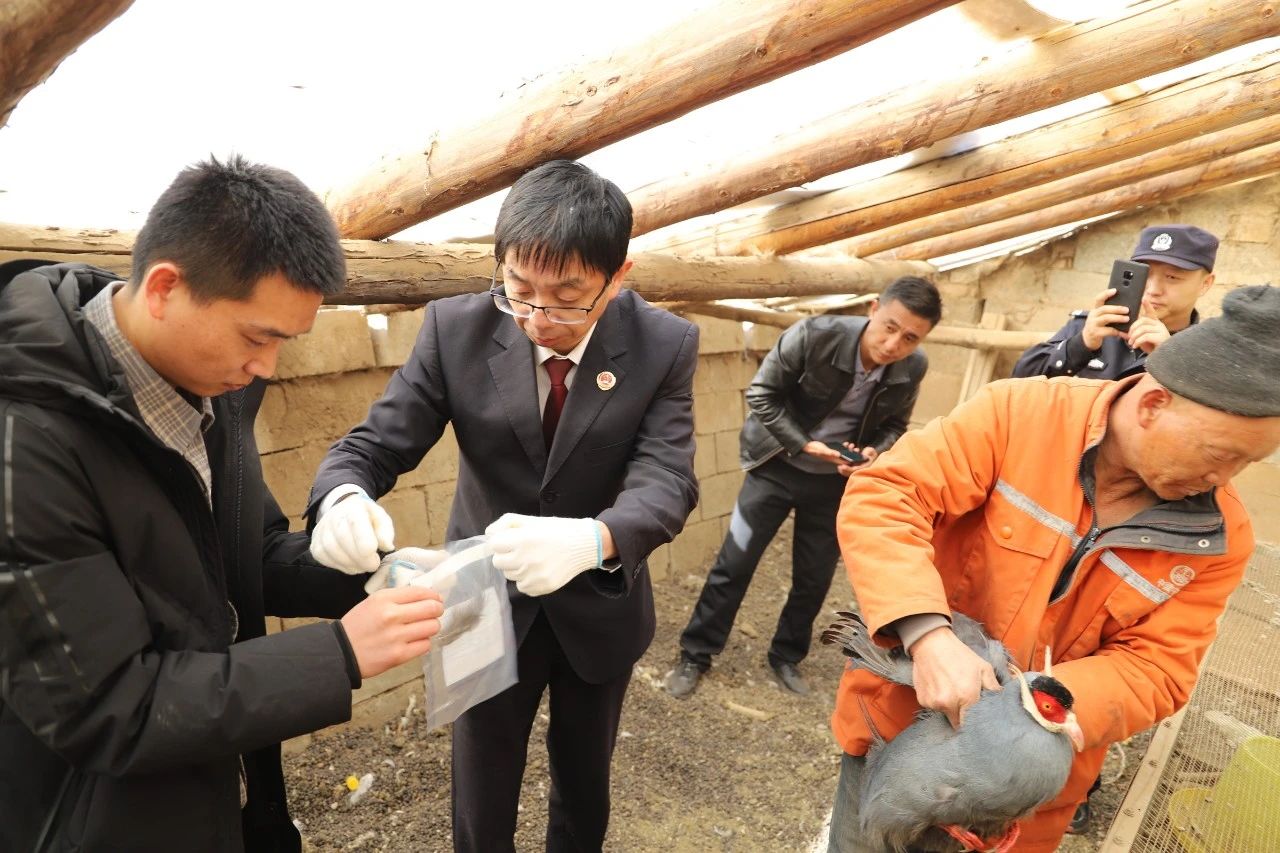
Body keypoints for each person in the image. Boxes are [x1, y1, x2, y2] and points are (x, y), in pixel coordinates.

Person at [0, 157, 445, 853]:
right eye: (257, 336)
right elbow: (111, 705)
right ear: (165, 288)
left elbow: (246, 557)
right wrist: (340, 653)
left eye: (283, 342)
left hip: (219, 787)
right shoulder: (26, 442)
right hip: (102, 821)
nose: (266, 366)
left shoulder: (208, 389)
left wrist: (366, 577)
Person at [306, 159, 699, 853]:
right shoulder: (453, 330)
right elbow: (374, 444)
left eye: (567, 298)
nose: (537, 319)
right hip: (482, 599)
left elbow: (668, 477)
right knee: (480, 792)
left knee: (584, 785)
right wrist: (341, 494)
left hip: (598, 601)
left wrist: (596, 539)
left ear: (617, 276)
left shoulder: (663, 343)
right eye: (519, 290)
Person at [825, 285, 1280, 853]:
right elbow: (887, 495)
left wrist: (1027, 711)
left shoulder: (1222, 535)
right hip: (904, 735)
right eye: (1220, 454)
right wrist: (928, 636)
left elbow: (1159, 669)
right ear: (1153, 405)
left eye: (1246, 462)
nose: (1223, 479)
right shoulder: (1021, 414)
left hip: (1024, 794)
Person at [665, 277, 940, 699]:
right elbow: (762, 395)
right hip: (777, 464)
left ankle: (786, 656)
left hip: (835, 482)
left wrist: (873, 452)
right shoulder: (814, 334)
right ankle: (695, 654)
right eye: (889, 327)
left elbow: (895, 426)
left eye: (910, 338)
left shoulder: (913, 367)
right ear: (873, 308)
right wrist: (805, 443)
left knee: (813, 578)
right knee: (735, 563)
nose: (893, 345)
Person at [1013, 224, 1217, 380]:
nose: (1153, 290)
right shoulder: (1093, 327)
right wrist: (1081, 344)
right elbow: (1019, 382)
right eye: (1145, 274)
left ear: (1205, 284)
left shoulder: (1208, 351)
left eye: (1172, 277)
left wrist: (1171, 359)